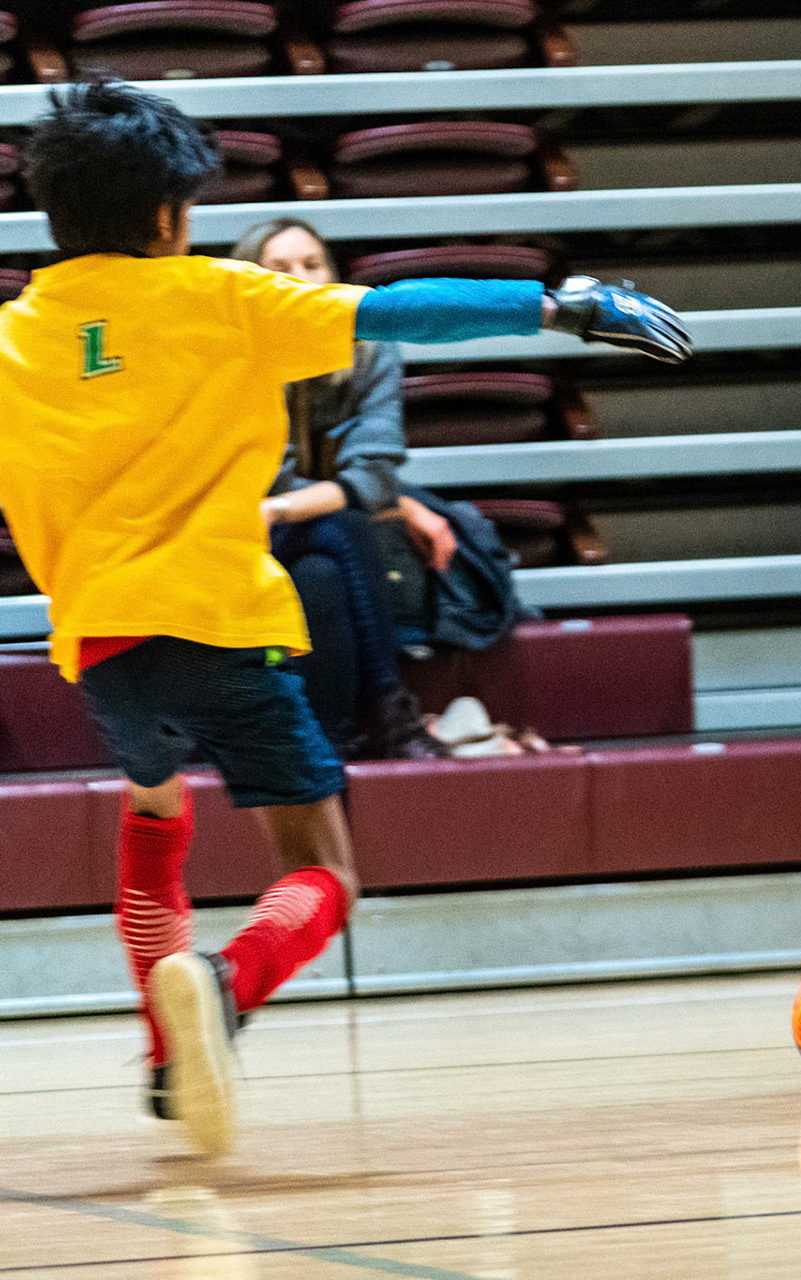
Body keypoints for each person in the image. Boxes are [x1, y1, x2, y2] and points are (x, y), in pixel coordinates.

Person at [0, 79, 690, 1157]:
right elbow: (396, 309)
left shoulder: (17, 335)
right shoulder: (222, 298)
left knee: (152, 817)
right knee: (323, 869)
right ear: (168, 216)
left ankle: (170, 1058)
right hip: (220, 620)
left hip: (97, 643)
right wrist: (561, 305)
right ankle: (224, 986)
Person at [230, 217, 446, 758]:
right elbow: (269, 473)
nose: (301, 279)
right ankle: (390, 712)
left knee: (322, 574)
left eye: (312, 264)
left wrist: (280, 509)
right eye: (279, 269)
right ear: (252, 282)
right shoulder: (233, 356)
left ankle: (328, 741)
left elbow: (373, 473)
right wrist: (387, 501)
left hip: (295, 529)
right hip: (231, 533)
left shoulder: (370, 348)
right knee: (343, 524)